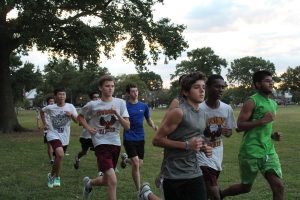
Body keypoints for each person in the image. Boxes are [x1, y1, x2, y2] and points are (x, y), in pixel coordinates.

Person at [220, 70, 284, 199]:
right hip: (251, 151)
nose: (271, 83)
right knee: (246, 188)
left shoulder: (273, 103)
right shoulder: (252, 101)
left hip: (268, 150)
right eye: (267, 81)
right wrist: (262, 121)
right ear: (257, 84)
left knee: (279, 186)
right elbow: (239, 126)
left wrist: (272, 135)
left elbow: (263, 128)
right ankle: (220, 194)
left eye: (272, 81)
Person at [152, 72, 212, 200]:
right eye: (196, 87)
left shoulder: (204, 114)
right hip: (173, 174)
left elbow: (198, 139)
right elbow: (157, 140)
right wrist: (186, 145)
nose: (202, 90)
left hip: (194, 171)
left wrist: (204, 147)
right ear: (185, 92)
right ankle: (147, 194)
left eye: (203, 87)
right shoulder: (178, 112)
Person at [78, 75, 130, 200]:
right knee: (113, 180)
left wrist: (116, 113)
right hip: (100, 143)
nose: (110, 88)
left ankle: (89, 183)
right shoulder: (92, 105)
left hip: (115, 143)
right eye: (107, 86)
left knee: (107, 180)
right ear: (100, 88)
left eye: (112, 86)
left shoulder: (120, 103)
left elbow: (127, 126)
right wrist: (88, 128)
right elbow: (80, 117)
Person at [197, 74, 236, 200]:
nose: (220, 90)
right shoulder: (199, 108)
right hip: (201, 155)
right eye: (217, 86)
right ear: (207, 88)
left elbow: (230, 133)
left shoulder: (227, 108)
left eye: (222, 87)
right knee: (213, 189)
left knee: (206, 191)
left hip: (217, 154)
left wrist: (226, 132)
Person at [121, 83, 158, 193]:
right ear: (128, 93)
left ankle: (125, 160)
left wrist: (154, 126)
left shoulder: (144, 106)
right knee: (136, 163)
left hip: (140, 137)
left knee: (139, 163)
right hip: (129, 137)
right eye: (132, 91)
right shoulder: (125, 106)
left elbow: (148, 119)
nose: (135, 93)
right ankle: (138, 191)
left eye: (136, 91)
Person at [40, 87, 78, 188]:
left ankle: (52, 176)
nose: (62, 96)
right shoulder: (51, 107)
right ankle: (56, 177)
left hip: (65, 136)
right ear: (55, 96)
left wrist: (71, 115)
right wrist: (45, 123)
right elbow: (42, 112)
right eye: (59, 94)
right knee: (60, 155)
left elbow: (77, 121)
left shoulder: (70, 107)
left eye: (63, 94)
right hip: (52, 134)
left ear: (66, 96)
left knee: (58, 158)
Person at [74, 92, 100, 170]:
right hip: (86, 136)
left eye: (98, 97)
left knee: (100, 152)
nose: (97, 99)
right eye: (95, 97)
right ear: (92, 99)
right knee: (84, 152)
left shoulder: (101, 107)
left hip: (97, 135)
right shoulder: (88, 107)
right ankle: (77, 158)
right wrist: (89, 117)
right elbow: (80, 123)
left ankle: (102, 171)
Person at [42, 96, 55, 165]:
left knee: (56, 145)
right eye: (50, 101)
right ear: (48, 102)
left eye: (53, 101)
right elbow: (41, 116)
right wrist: (45, 124)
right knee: (49, 145)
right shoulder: (45, 109)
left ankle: (56, 157)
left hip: (56, 130)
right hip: (48, 130)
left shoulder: (56, 109)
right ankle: (51, 160)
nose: (52, 103)